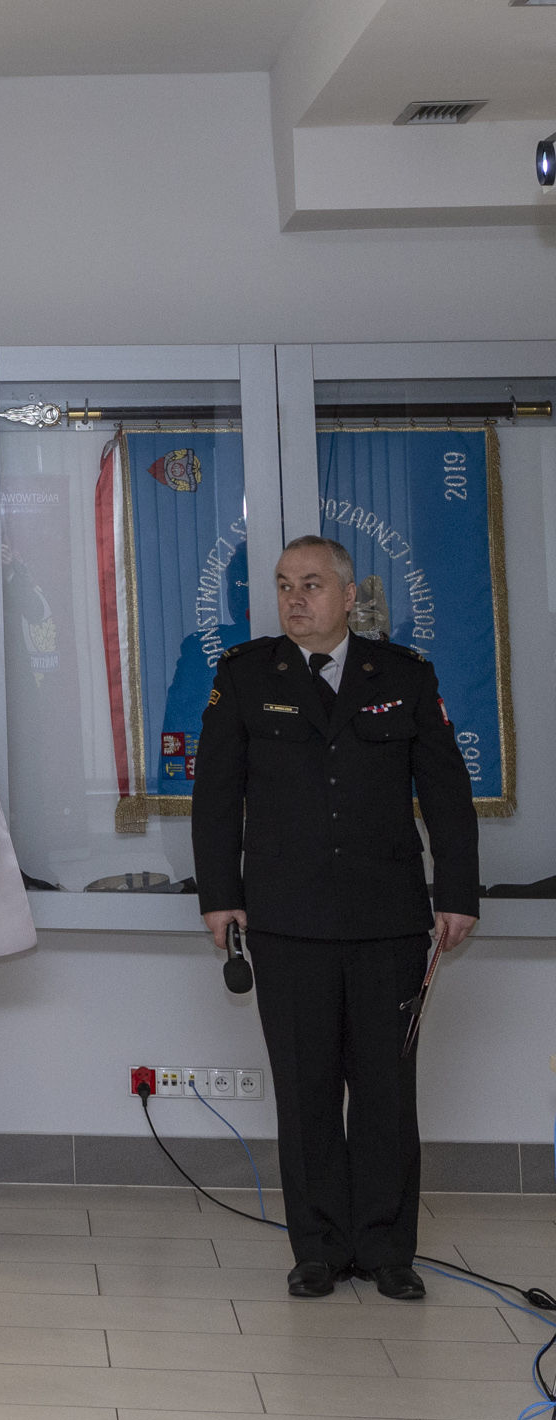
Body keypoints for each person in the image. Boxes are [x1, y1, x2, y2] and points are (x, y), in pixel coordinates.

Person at [193, 535, 478, 1301]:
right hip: (287, 919)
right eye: (285, 584)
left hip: (387, 919)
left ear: (349, 596)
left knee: (386, 1091)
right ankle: (318, 1248)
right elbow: (216, 793)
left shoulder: (404, 676)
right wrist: (220, 894)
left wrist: (457, 892)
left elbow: (445, 790)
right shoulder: (246, 676)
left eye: (312, 584)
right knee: (306, 1091)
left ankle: (386, 1250)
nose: (295, 598)